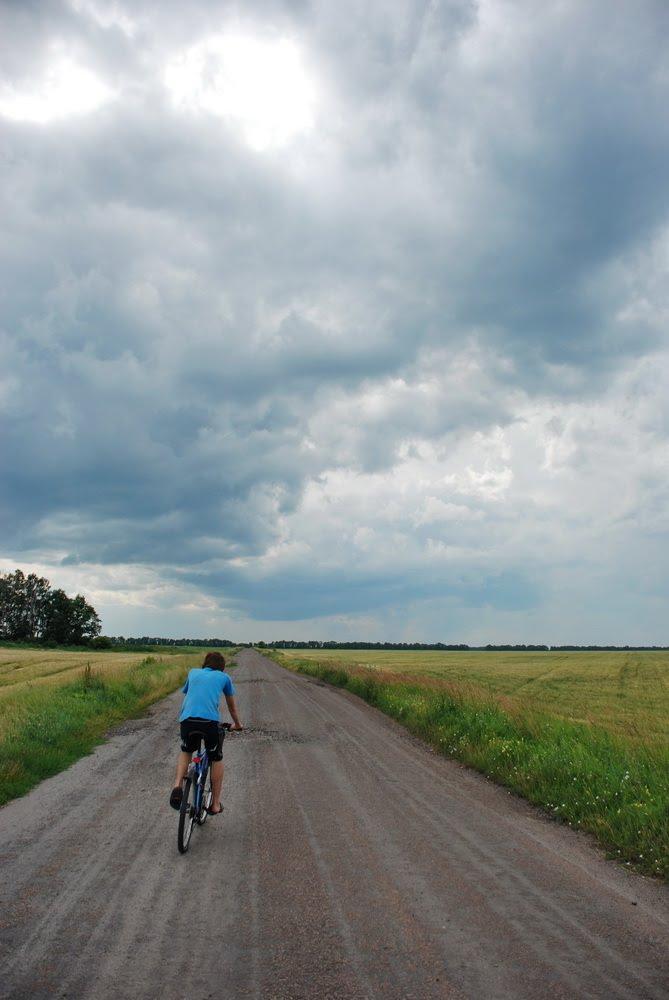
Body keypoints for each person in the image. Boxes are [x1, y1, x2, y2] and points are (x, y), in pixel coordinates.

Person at [169, 651, 243, 815]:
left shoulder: (193, 672)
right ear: (221, 668)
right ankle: (215, 804)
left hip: (187, 720)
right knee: (216, 758)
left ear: (205, 664)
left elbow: (190, 694)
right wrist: (237, 724)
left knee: (187, 750)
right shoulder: (224, 678)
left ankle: (177, 786)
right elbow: (232, 707)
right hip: (209, 722)